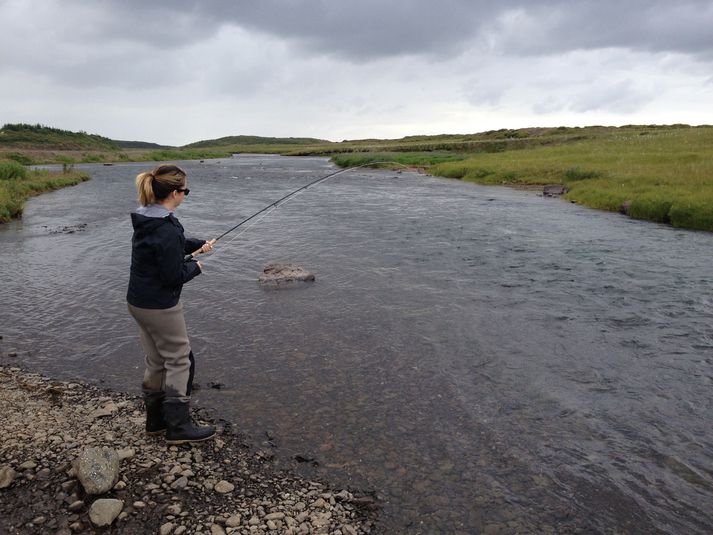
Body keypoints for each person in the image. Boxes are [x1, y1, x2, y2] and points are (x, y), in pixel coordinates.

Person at [127, 164, 215, 444]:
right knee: (180, 359)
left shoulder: (147, 218)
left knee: (156, 360)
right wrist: (196, 267)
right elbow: (171, 276)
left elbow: (167, 248)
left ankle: (155, 422)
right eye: (185, 190)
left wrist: (197, 244)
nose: (186, 195)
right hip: (160, 305)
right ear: (175, 193)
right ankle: (178, 426)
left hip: (138, 301)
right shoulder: (164, 227)